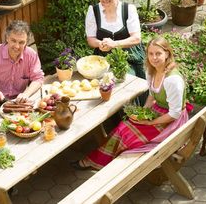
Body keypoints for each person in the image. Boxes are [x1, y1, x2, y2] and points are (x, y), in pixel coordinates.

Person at [71, 36, 193, 170]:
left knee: (127, 133)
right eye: (151, 54)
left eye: (158, 53)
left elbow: (174, 114)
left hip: (172, 122)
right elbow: (152, 96)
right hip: (159, 112)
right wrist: (143, 113)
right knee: (124, 125)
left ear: (167, 54)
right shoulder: (152, 72)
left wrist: (150, 122)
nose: (154, 58)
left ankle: (104, 163)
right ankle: (103, 158)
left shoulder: (172, 80)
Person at [85, 0, 147, 103]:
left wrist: (114, 44)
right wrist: (100, 43)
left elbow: (136, 39)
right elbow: (91, 40)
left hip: (129, 56)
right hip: (103, 58)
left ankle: (135, 115)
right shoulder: (93, 11)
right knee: (103, 86)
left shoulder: (128, 9)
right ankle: (111, 119)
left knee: (126, 84)